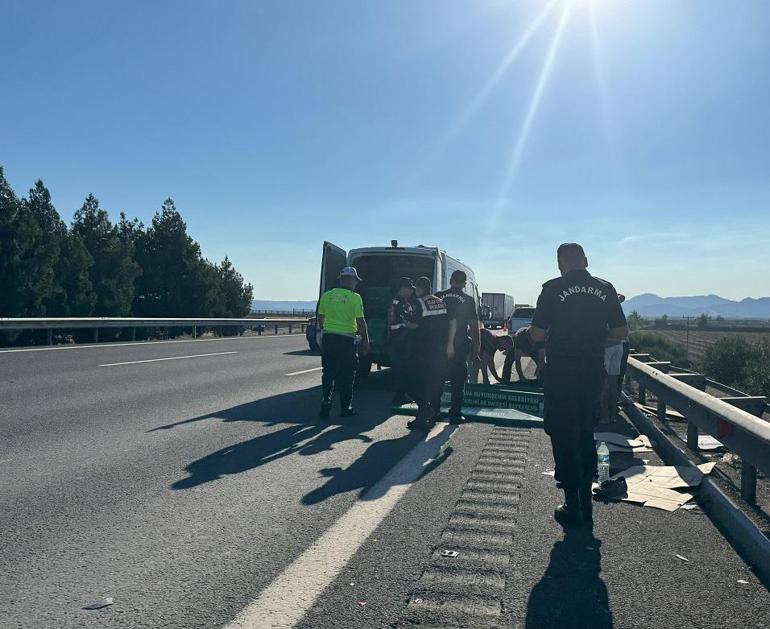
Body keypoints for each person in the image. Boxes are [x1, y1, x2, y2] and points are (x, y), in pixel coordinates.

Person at [529, 243, 628, 526]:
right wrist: (594, 340)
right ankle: (586, 497)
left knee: (562, 432)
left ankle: (572, 502)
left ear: (560, 264)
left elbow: (536, 334)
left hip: (561, 373)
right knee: (586, 431)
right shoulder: (605, 288)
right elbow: (621, 331)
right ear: (585, 261)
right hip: (591, 372)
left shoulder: (552, 288)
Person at [317, 266, 370, 419]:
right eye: (355, 281)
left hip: (329, 339)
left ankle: (326, 400)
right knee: (347, 375)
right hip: (347, 340)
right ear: (352, 281)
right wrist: (365, 340)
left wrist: (326, 331)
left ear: (341, 280)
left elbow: (321, 318)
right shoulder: (355, 298)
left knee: (328, 372)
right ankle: (346, 407)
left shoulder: (327, 296)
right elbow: (361, 321)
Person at [407, 276, 449, 430]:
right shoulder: (440, 302)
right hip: (439, 349)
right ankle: (426, 417)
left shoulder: (419, 303)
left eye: (416, 288)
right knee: (433, 383)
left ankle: (425, 410)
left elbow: (414, 325)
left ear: (420, 288)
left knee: (412, 382)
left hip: (422, 349)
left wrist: (405, 322)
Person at [439, 270, 481, 423]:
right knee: (458, 380)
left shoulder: (438, 295)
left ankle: (433, 410)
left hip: (439, 345)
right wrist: (477, 347)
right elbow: (474, 326)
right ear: (464, 284)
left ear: (450, 281)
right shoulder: (468, 300)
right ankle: (455, 413)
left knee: (437, 378)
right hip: (459, 344)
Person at [388, 277, 417, 406]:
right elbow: (402, 321)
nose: (411, 292)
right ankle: (399, 396)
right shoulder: (399, 302)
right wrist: (413, 325)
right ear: (404, 288)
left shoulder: (400, 301)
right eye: (410, 289)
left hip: (400, 339)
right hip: (401, 340)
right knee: (401, 369)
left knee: (402, 368)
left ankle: (401, 394)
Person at [601, 293, 626, 422]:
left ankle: (605, 415)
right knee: (613, 381)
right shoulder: (617, 312)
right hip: (619, 346)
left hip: (606, 347)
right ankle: (613, 414)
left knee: (604, 382)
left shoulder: (601, 311)